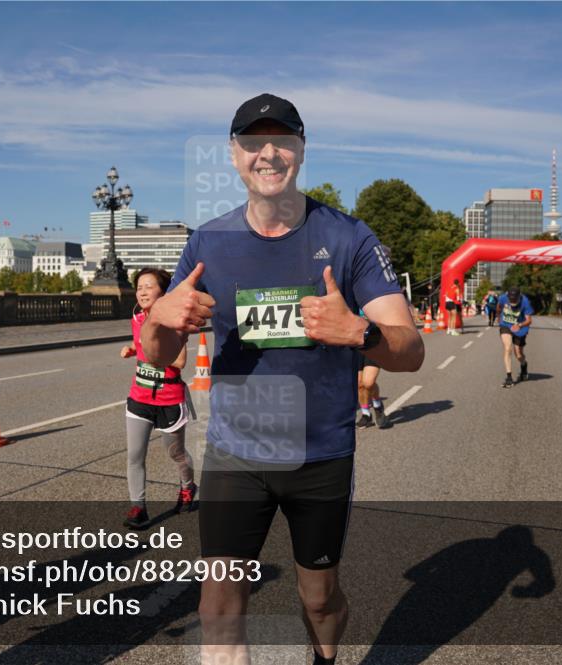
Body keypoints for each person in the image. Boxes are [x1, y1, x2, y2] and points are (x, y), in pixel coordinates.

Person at [141, 93, 424, 665]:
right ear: (234, 154)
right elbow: (160, 352)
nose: (267, 154)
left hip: (318, 456)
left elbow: (411, 351)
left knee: (318, 602)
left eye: (281, 141)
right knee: (218, 608)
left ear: (301, 149)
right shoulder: (207, 242)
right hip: (233, 454)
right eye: (252, 142)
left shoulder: (350, 238)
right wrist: (158, 319)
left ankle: (325, 658)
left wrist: (358, 332)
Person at [120, 267, 196, 529]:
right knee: (134, 456)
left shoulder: (174, 321)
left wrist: (155, 355)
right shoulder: (138, 318)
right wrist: (132, 349)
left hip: (169, 399)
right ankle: (138, 507)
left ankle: (187, 487)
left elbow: (181, 360)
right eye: (139, 287)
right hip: (139, 397)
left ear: (163, 292)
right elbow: (141, 346)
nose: (142, 291)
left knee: (176, 454)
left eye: (148, 286)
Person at [356, 309, 390, 430]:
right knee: (359, 384)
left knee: (368, 382)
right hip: (355, 344)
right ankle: (366, 413)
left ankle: (377, 405)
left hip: (374, 343)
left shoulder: (371, 293)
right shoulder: (349, 296)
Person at [497, 286, 533, 388]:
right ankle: (509, 378)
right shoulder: (503, 298)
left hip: (520, 328)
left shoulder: (525, 302)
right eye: (511, 300)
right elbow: (499, 307)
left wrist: (519, 325)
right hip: (506, 325)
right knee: (508, 348)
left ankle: (524, 366)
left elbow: (529, 320)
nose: (512, 302)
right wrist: (498, 317)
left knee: (519, 354)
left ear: (519, 297)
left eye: (515, 300)